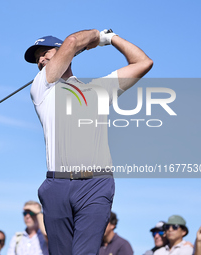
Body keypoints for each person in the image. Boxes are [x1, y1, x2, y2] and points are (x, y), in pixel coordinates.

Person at [25, 28, 153, 255]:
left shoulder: (99, 89)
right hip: (57, 185)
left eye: (45, 53)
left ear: (66, 53)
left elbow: (143, 62)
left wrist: (111, 39)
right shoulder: (41, 88)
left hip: (96, 185)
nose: (41, 60)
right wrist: (97, 36)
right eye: (37, 59)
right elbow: (73, 40)